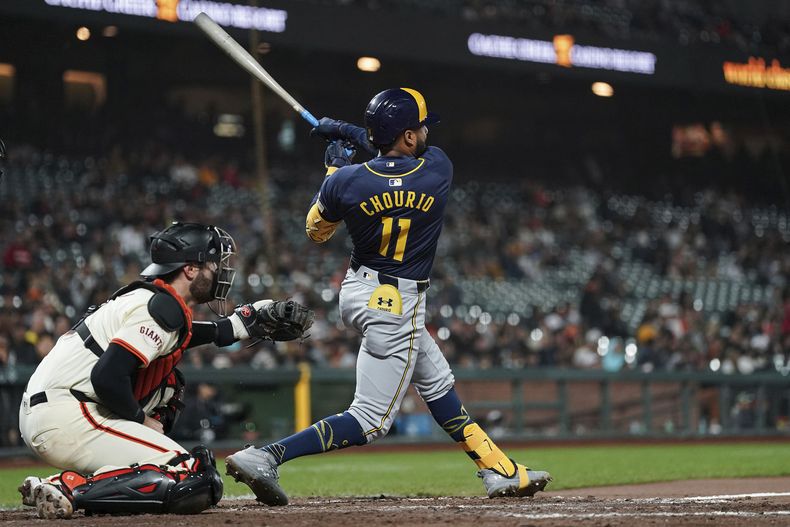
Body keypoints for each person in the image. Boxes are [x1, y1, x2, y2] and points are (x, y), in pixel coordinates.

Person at [225, 88, 551, 505]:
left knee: (437, 383)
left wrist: (333, 167)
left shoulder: (346, 181)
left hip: (359, 289)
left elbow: (315, 231)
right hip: (398, 304)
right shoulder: (438, 168)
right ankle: (266, 456)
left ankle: (498, 469)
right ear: (410, 137)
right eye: (419, 127)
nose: (424, 133)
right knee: (370, 420)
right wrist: (344, 130)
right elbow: (386, 149)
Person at [17, 222, 313, 519]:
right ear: (190, 270)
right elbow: (106, 378)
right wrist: (140, 419)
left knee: (170, 390)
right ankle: (68, 487)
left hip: (53, 410)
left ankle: (67, 486)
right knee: (191, 475)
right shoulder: (163, 306)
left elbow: (184, 334)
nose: (220, 272)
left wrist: (237, 327)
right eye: (213, 263)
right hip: (66, 414)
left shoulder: (153, 300)